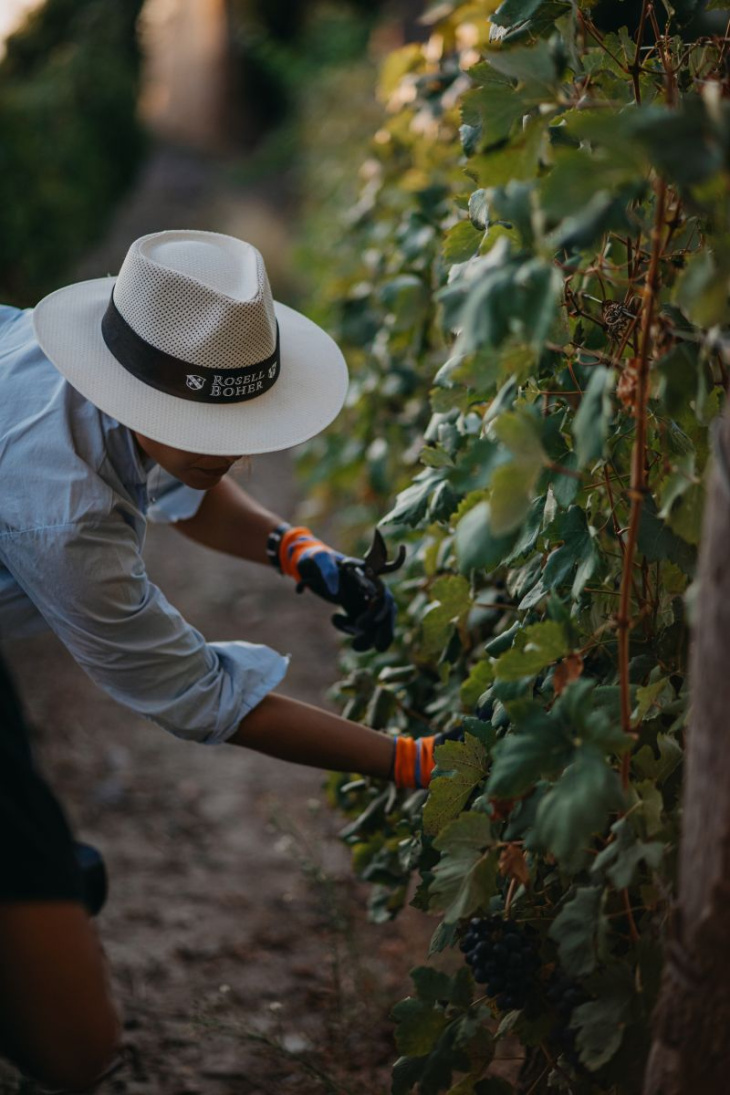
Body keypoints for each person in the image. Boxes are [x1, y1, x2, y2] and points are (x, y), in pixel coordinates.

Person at [0, 229, 444, 1090]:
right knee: (74, 1047)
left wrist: (297, 549)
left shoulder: (105, 373)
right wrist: (410, 761)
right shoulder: (64, 516)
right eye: (201, 424)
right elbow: (203, 695)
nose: (223, 450)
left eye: (234, 425)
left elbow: (177, 468)